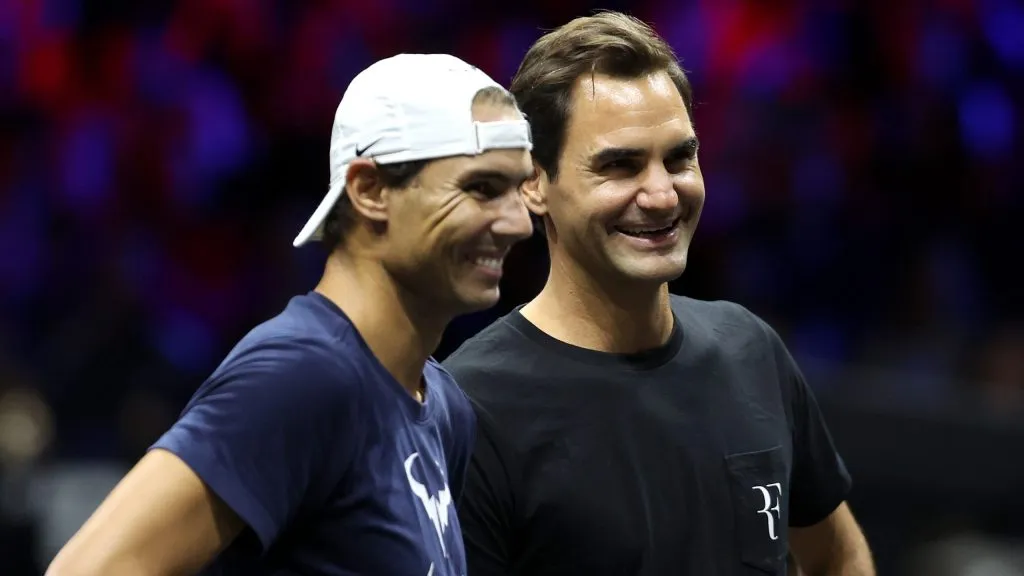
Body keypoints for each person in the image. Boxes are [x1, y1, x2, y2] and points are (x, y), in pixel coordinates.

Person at [46, 53, 535, 576]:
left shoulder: (444, 407)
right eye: (481, 189)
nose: (518, 223)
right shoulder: (301, 376)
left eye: (519, 189)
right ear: (370, 190)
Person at [442, 12, 875, 576]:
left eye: (679, 158)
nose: (661, 195)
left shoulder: (750, 350)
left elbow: (836, 556)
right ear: (534, 183)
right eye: (620, 166)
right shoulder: (470, 407)